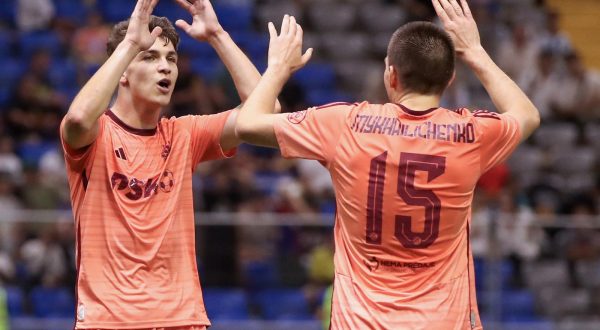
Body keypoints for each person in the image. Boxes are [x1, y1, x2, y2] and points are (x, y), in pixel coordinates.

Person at [235, 0, 540, 328]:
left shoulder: (345, 124)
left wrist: (279, 67)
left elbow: (248, 124)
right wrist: (475, 51)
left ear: (391, 76)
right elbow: (527, 115)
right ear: (450, 79)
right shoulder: (471, 135)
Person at [60, 0, 278, 329]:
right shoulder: (97, 135)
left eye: (171, 59)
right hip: (109, 320)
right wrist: (131, 43)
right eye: (150, 57)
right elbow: (76, 118)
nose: (166, 67)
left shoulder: (184, 135)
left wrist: (218, 35)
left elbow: (266, 113)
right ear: (122, 73)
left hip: (182, 319)